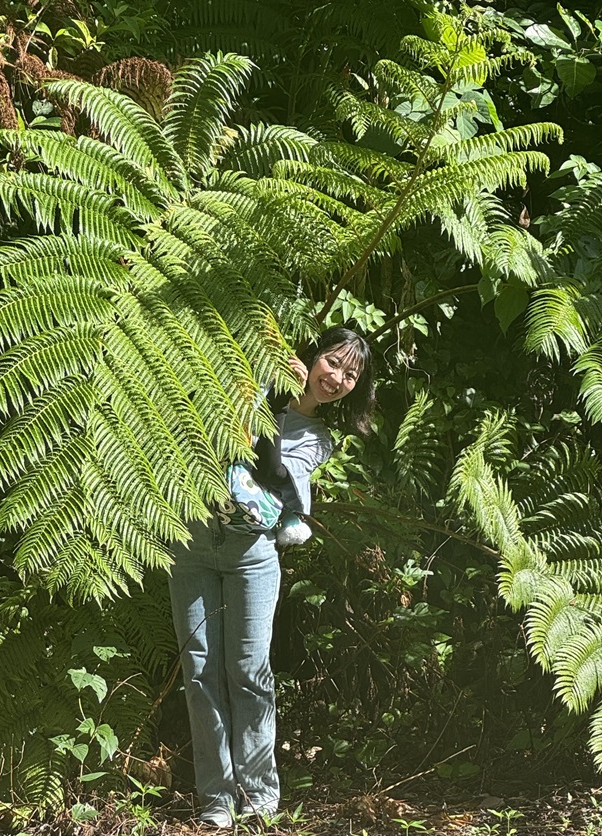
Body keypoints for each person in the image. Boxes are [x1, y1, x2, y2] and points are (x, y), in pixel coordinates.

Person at [168, 327, 375, 828]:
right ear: (312, 355)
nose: (338, 379)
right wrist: (262, 379)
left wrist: (262, 410)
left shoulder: (319, 438)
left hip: (252, 555)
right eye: (332, 362)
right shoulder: (249, 386)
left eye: (351, 375)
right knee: (199, 672)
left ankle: (259, 799)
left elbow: (274, 477)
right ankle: (215, 801)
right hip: (191, 544)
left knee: (248, 671)